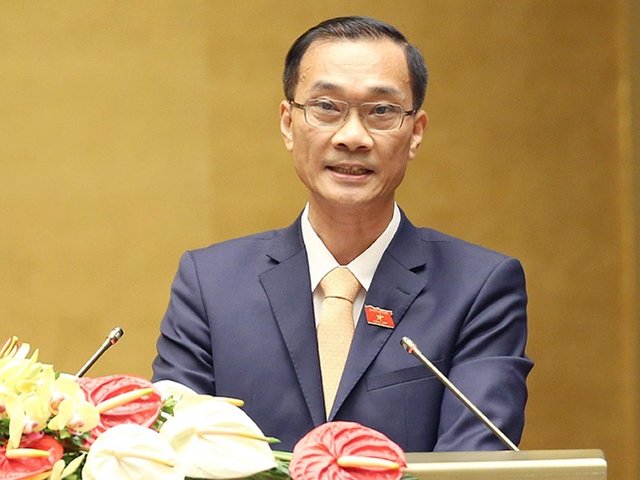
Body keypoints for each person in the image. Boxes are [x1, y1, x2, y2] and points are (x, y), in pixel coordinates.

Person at [152, 15, 533, 453]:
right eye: (326, 107)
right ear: (288, 123)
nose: (353, 137)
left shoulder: (479, 287)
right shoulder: (210, 284)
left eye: (382, 111)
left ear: (416, 132)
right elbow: (172, 454)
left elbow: (475, 459)